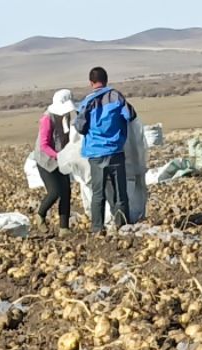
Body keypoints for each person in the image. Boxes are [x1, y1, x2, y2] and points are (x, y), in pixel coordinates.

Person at [76, 66, 135, 232]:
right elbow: (130, 115)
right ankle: (123, 226)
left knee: (98, 193)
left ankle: (97, 229)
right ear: (106, 80)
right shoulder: (117, 96)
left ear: (91, 83)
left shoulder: (86, 102)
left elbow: (80, 127)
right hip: (116, 150)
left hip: (95, 154)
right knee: (120, 192)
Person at [33, 89, 75, 229]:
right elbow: (44, 145)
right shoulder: (47, 118)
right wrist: (58, 156)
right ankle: (40, 214)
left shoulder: (65, 116)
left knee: (66, 192)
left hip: (60, 159)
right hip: (46, 160)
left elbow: (66, 136)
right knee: (55, 191)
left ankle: (64, 228)